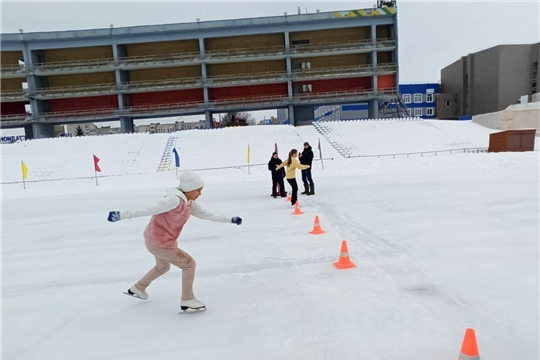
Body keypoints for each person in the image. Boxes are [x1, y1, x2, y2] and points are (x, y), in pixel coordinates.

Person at [106, 171, 242, 311]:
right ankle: (187, 299)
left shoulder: (189, 203)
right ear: (189, 189)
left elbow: (206, 214)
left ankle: (138, 288)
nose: (200, 194)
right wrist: (122, 215)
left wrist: (229, 219)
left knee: (163, 267)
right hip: (161, 243)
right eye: (198, 190)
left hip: (153, 240)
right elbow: (150, 209)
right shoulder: (174, 200)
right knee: (189, 264)